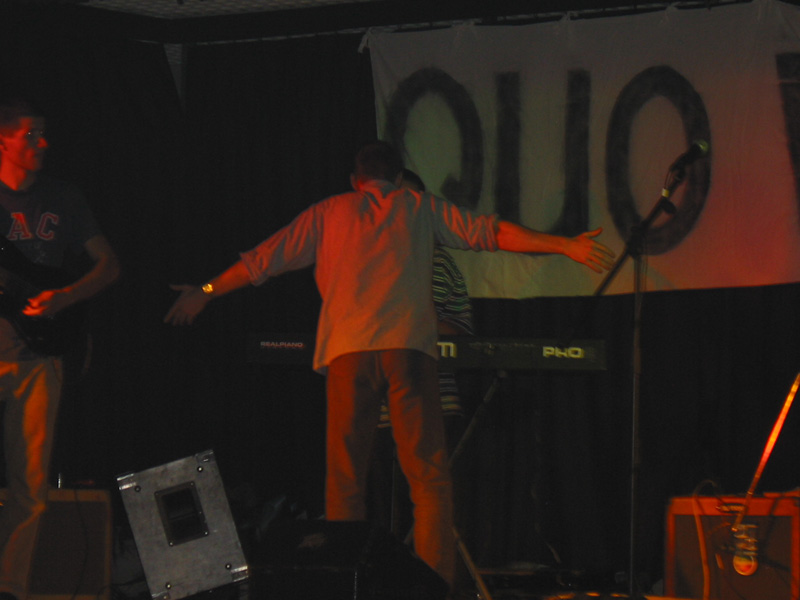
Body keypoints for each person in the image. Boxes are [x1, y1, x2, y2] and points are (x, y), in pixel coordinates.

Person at [164, 141, 614, 591]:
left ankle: (343, 586)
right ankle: (434, 587)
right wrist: (564, 245)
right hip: (407, 352)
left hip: (349, 355)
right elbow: (491, 233)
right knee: (429, 480)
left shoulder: (328, 212)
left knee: (345, 480)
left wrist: (205, 291)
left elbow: (262, 260)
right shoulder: (420, 207)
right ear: (398, 179)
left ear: (355, 181)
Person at [0, 100, 120, 600]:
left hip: (40, 355)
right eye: (31, 134)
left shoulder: (63, 197)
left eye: (43, 133)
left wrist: (65, 298)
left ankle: (10, 588)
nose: (43, 143)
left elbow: (109, 266)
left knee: (31, 485)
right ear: (3, 140)